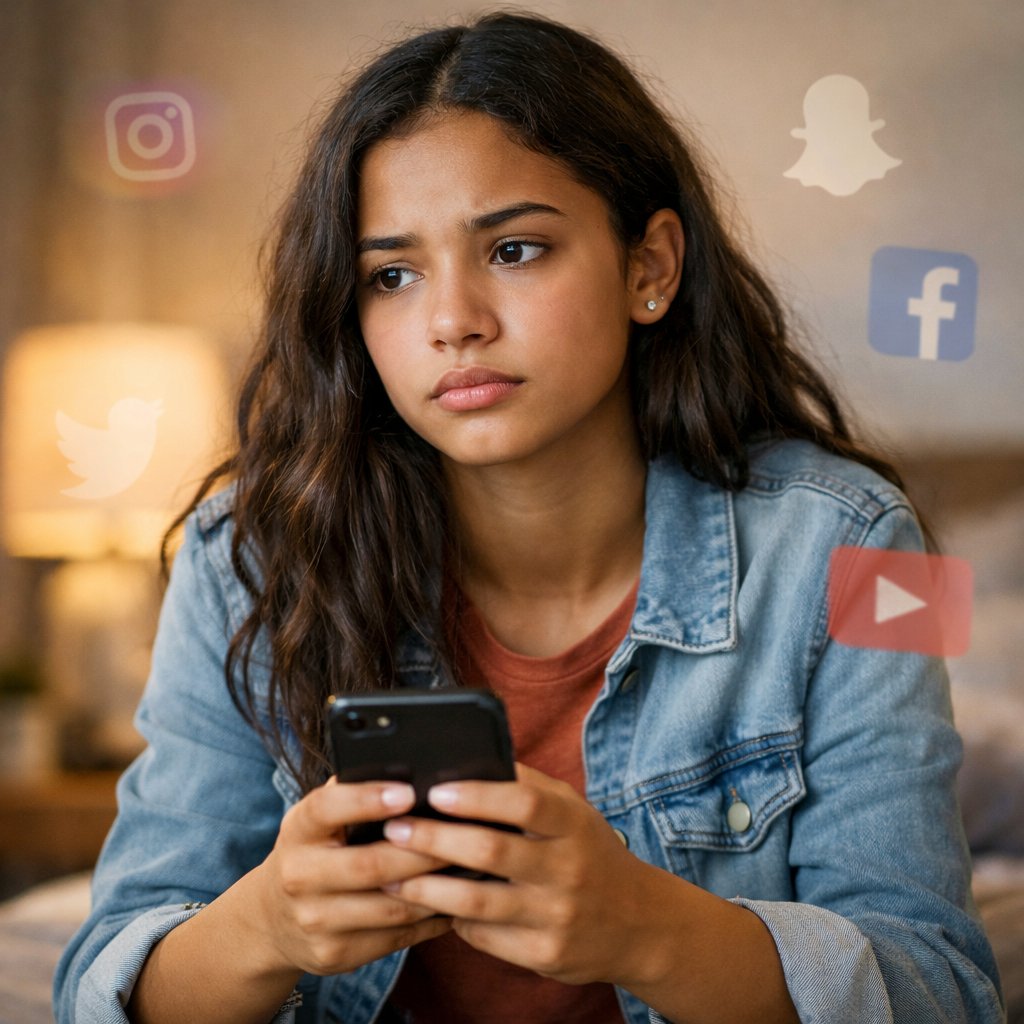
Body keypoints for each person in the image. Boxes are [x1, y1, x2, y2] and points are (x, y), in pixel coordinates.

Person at [54, 11, 1004, 1024]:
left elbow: (943, 988)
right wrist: (266, 928)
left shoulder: (867, 539)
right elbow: (97, 990)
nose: (452, 319)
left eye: (513, 248)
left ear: (650, 268)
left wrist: (643, 925)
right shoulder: (240, 555)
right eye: (391, 274)